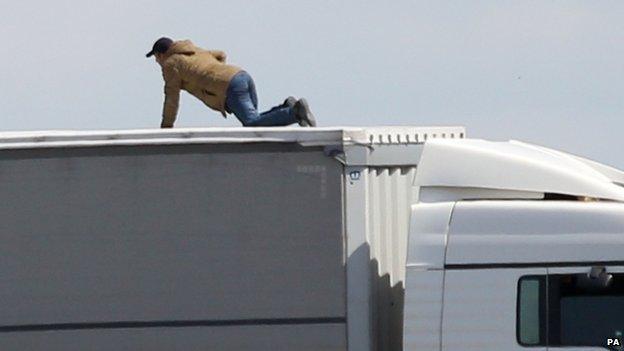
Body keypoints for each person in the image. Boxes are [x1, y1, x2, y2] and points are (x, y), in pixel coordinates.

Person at [146, 37, 316, 128]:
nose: (157, 62)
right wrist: (219, 73)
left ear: (161, 54)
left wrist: (166, 127)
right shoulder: (194, 52)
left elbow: (171, 98)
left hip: (231, 86)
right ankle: (286, 107)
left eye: (156, 57)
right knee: (257, 122)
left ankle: (295, 112)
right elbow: (220, 54)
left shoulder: (171, 64)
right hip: (241, 75)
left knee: (251, 124)